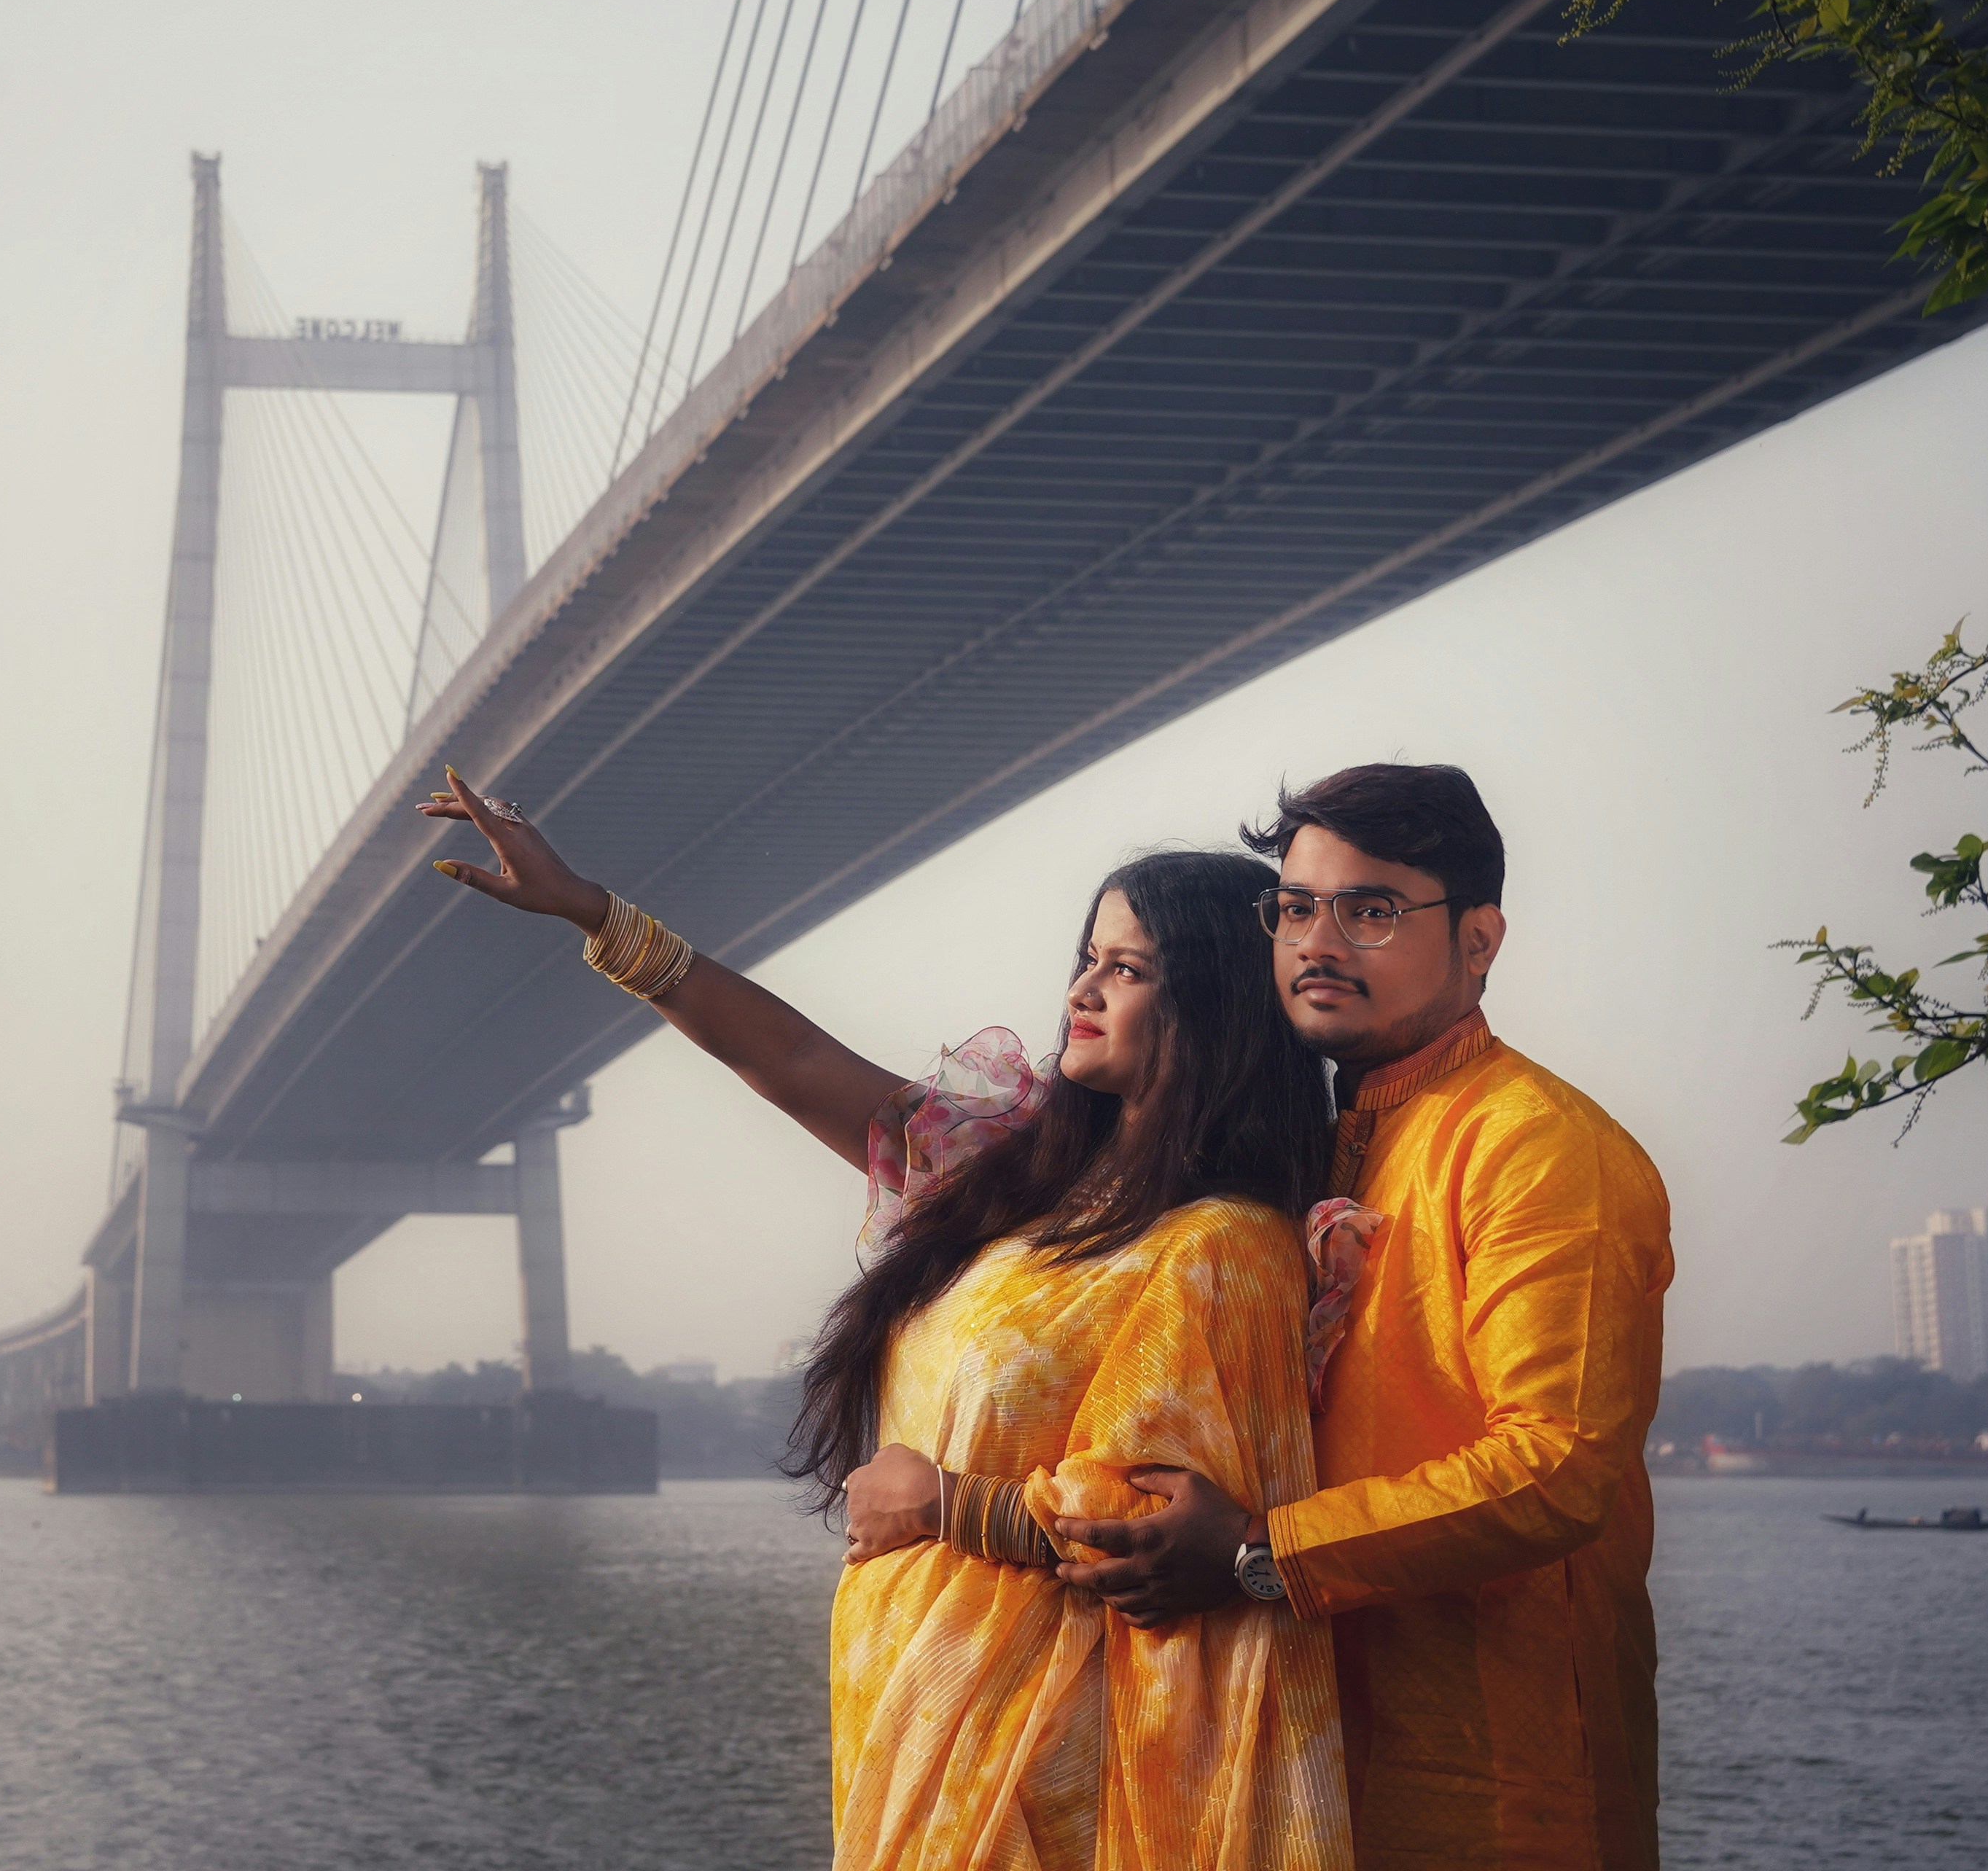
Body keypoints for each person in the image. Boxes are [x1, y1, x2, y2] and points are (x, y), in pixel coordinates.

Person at [416, 773, 1353, 1870]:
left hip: (1049, 1770)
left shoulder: (1222, 1249)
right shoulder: (1022, 1184)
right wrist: (591, 912)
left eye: (1129, 969)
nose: (1083, 992)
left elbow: (1162, 1538)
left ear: (1216, 1006)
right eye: (1086, 960)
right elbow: (796, 1065)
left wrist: (942, 1503)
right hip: (915, 1716)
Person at [1045, 764, 1674, 1871]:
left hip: (1499, 1782)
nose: (1318, 944)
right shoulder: (1314, 1141)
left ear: (1479, 941)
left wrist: (1258, 1552)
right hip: (1311, 1755)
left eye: (1372, 911)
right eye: (1293, 909)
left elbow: (1557, 1465)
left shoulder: (1538, 1147)